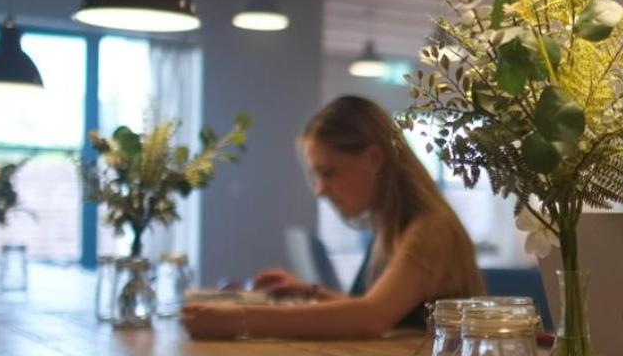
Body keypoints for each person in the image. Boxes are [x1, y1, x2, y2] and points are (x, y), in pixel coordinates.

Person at [181, 95, 483, 340]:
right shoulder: (390, 227)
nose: (320, 190)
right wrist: (310, 292)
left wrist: (239, 319)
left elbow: (371, 318)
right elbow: (380, 311)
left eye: (328, 173)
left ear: (373, 158)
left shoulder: (431, 229)